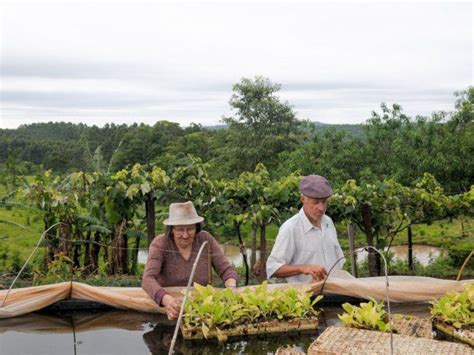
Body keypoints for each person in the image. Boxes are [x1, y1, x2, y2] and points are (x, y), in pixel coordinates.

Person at [142, 201, 238, 320]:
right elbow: (148, 279)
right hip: (169, 310)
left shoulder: (205, 239)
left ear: (197, 228)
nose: (185, 235)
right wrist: (166, 300)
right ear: (171, 229)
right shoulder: (160, 244)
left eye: (190, 229)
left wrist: (231, 288)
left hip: (203, 310)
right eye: (180, 230)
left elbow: (226, 270)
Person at [266, 175, 345, 283]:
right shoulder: (290, 228)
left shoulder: (328, 222)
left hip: (333, 293)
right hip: (306, 297)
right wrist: (303, 268)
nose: (321, 208)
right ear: (303, 199)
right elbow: (272, 268)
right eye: (316, 202)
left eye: (324, 202)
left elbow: (337, 261)